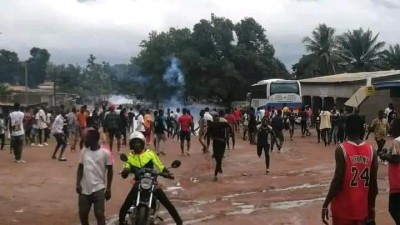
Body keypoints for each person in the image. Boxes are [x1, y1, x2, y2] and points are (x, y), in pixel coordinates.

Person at [321, 114, 378, 225]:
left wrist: (326, 203)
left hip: (343, 211)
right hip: (362, 210)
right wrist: (371, 209)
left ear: (346, 129)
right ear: (362, 129)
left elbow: (337, 179)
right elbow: (373, 186)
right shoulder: (372, 151)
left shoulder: (341, 149)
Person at [118, 132, 182, 225]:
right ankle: (121, 221)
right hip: (138, 182)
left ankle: (179, 222)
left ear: (143, 143)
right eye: (134, 142)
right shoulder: (130, 156)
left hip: (151, 181)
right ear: (131, 144)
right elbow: (126, 166)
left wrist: (167, 173)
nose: (136, 145)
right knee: (125, 205)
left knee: (167, 204)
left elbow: (160, 166)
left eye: (138, 142)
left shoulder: (150, 154)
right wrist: (126, 171)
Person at [76, 129, 113, 225]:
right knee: (83, 213)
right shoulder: (84, 151)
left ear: (94, 139)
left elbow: (110, 170)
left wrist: (108, 188)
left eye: (87, 138)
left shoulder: (105, 153)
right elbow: (80, 168)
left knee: (99, 213)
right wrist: (78, 184)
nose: (85, 140)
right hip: (84, 188)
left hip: (98, 188)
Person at [377, 118, 400, 225]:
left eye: (392, 125)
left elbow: (396, 159)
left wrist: (383, 155)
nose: (390, 127)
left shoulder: (397, 141)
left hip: (397, 183)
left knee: (394, 210)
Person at [207, 110, 230, 182]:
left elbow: (228, 125)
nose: (216, 119)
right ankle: (219, 167)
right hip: (216, 143)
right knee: (217, 158)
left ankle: (215, 175)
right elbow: (208, 134)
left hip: (222, 143)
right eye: (215, 118)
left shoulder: (221, 124)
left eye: (216, 118)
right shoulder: (213, 125)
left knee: (219, 158)